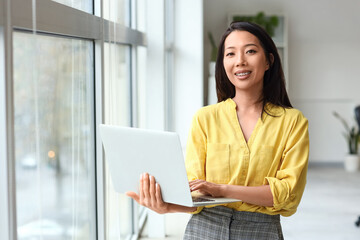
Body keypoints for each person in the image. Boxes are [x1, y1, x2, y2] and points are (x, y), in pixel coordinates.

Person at [126, 21, 309, 240]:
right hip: (204, 229)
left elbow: (287, 194)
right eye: (230, 54)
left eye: (250, 51)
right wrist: (167, 206)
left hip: (261, 231)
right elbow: (196, 193)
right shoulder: (205, 118)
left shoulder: (292, 122)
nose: (240, 61)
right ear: (223, 63)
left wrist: (222, 190)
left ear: (269, 60)